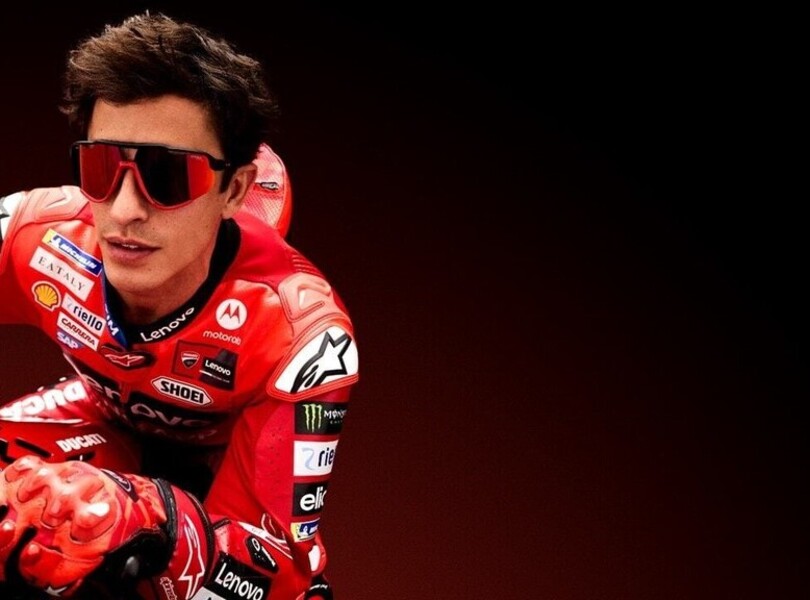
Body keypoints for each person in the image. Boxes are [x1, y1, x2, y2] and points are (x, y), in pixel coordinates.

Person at [0, 11, 358, 600]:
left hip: (226, 500)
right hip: (97, 428)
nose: (125, 210)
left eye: (167, 176)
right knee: (29, 509)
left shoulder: (304, 337)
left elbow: (276, 571)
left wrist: (148, 518)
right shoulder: (32, 231)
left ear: (234, 190)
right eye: (101, 167)